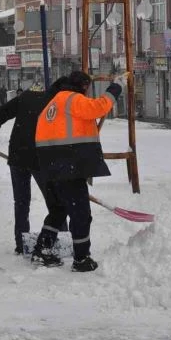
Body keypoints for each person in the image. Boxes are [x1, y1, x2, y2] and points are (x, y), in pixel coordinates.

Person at [33, 71, 125, 272]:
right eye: (88, 88)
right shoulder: (73, 99)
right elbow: (98, 108)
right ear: (83, 86)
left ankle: (43, 249)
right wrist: (116, 87)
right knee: (81, 214)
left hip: (51, 166)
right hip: (69, 166)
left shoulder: (54, 103)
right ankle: (81, 259)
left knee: (58, 211)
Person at [0, 77, 69, 255]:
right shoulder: (57, 103)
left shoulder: (26, 97)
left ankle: (21, 243)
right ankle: (63, 238)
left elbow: (0, 113)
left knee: (21, 202)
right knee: (56, 203)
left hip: (18, 155)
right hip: (39, 158)